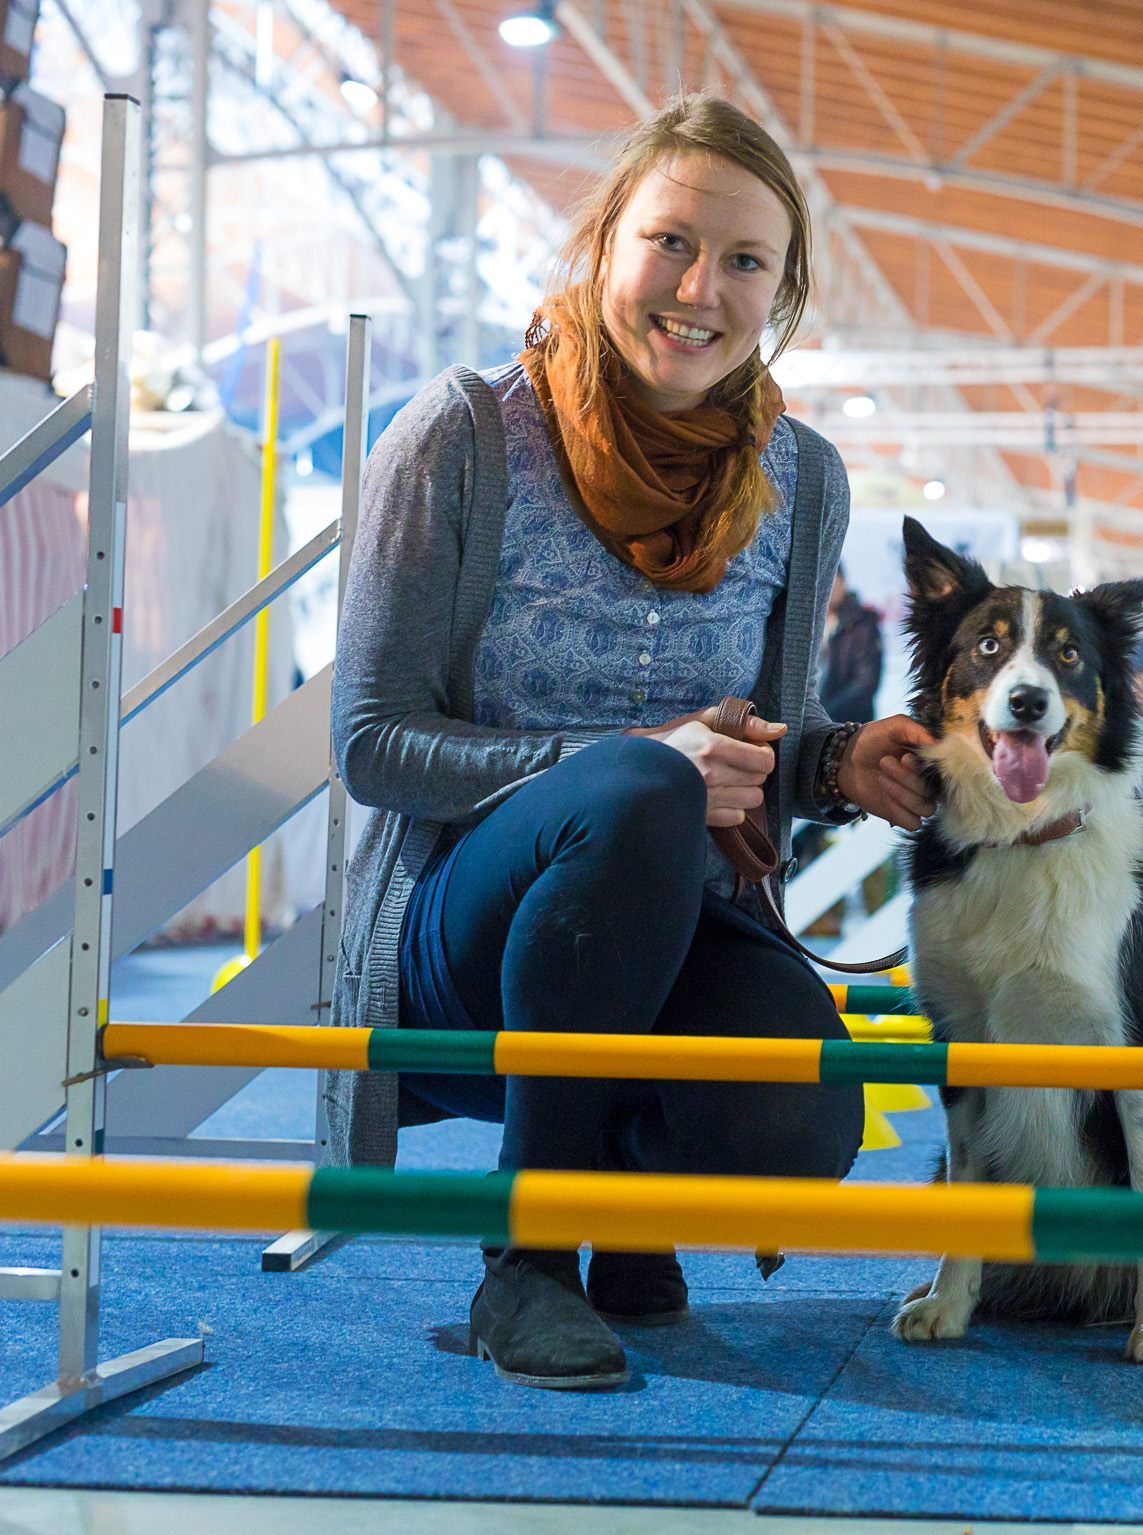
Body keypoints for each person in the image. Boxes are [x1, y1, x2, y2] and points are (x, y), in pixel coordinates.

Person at [328, 95, 936, 1392]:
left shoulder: (802, 477)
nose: (699, 290)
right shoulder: (463, 435)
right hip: (464, 938)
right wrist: (638, 756)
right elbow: (372, 744)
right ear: (604, 241)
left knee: (802, 1116)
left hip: (676, 922)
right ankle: (529, 1258)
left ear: (781, 290)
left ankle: (622, 1189)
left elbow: (756, 748)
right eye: (670, 242)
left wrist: (837, 764)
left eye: (744, 260)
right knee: (639, 786)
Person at [816, 566, 884, 725]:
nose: (828, 591)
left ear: (843, 583)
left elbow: (865, 683)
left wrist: (822, 711)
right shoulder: (804, 620)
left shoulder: (862, 621)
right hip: (810, 717)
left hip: (849, 725)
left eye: (833, 584)